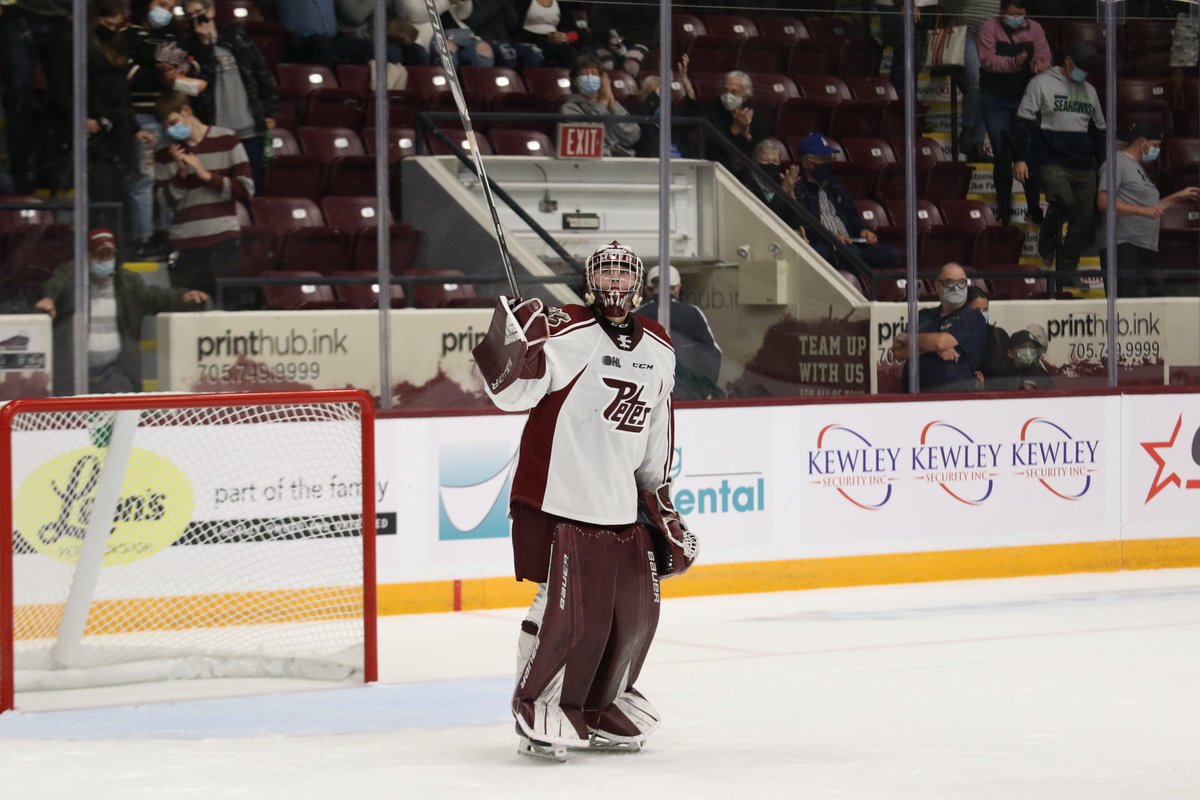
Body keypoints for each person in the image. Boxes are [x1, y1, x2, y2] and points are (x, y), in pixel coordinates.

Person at [471, 241, 693, 761]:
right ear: (590, 281)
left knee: (627, 615)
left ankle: (598, 701)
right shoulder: (568, 328)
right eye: (606, 274)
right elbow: (513, 396)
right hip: (557, 495)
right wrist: (513, 346)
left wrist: (659, 499)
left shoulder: (660, 349)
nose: (615, 283)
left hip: (618, 506)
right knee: (562, 607)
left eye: (624, 274)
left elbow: (657, 436)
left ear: (639, 285)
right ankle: (538, 704)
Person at [34, 228, 209, 394]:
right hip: (73, 374)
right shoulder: (72, 279)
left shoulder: (128, 284)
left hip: (113, 373)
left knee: (127, 415)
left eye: (108, 254)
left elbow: (155, 296)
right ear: (86, 256)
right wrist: (49, 298)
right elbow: (56, 282)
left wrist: (183, 297)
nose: (104, 259)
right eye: (98, 254)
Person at [1013, 40, 1106, 284]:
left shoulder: (1090, 91)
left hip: (1083, 163)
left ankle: (1067, 271)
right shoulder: (1041, 83)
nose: (1083, 74)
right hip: (1050, 158)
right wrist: (1021, 158)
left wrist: (1104, 164)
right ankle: (1047, 234)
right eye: (1080, 68)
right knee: (1065, 204)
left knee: (1084, 221)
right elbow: (1023, 122)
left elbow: (1099, 131)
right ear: (1068, 61)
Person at [154, 91, 253, 304]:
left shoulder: (227, 139)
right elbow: (164, 202)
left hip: (222, 239)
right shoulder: (165, 150)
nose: (171, 130)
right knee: (187, 313)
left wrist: (206, 176)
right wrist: (181, 175)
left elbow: (246, 190)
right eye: (166, 127)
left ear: (186, 110)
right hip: (185, 242)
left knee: (228, 309)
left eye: (173, 122)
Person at [181, 0, 279, 194]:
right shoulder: (189, 46)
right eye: (190, 15)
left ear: (211, 10)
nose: (196, 19)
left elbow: (260, 72)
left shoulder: (235, 35)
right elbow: (196, 84)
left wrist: (270, 111)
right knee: (220, 187)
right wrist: (205, 45)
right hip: (215, 131)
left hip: (249, 128)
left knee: (252, 187)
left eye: (199, 13)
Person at [1097, 120, 1200, 298]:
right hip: (1124, 247)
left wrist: (1178, 196)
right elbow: (1103, 202)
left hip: (1146, 248)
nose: (1156, 150)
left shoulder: (1141, 170)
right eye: (1154, 145)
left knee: (1153, 308)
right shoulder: (1117, 162)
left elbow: (1153, 209)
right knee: (1127, 309)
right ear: (1141, 142)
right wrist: (1142, 211)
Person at [976, 0, 1051, 223]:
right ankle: (1005, 208)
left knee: (1028, 153)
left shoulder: (1035, 28)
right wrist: (1013, 63)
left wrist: (1039, 64)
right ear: (1002, 12)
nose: (1016, 19)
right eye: (1012, 14)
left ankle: (1033, 208)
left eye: (1021, 15)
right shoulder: (989, 27)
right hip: (995, 98)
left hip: (1025, 98)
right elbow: (987, 60)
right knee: (1002, 154)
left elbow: (1045, 55)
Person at [793, 133, 900, 271]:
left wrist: (864, 230)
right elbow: (804, 226)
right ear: (807, 163)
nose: (829, 161)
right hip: (827, 245)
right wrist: (830, 237)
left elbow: (851, 215)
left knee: (892, 254)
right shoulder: (798, 187)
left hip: (851, 242)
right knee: (851, 255)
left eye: (830, 157)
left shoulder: (833, 184)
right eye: (823, 159)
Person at [0, 0, 71, 194]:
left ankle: (60, 173)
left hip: (63, 15)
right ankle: (21, 177)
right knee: (19, 97)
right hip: (19, 15)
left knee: (64, 95)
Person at [892, 262, 986, 393]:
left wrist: (907, 338)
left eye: (962, 282)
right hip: (914, 395)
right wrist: (933, 348)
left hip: (954, 395)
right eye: (949, 282)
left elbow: (940, 342)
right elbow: (899, 352)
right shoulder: (923, 315)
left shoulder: (972, 317)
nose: (956, 287)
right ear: (937, 286)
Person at [637, 265, 723, 400]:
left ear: (648, 290)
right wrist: (703, 392)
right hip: (688, 398)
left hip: (647, 400)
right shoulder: (693, 313)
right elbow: (713, 354)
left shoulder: (635, 317)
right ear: (677, 288)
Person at [684, 69, 770, 167]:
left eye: (734, 92)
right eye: (725, 91)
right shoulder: (710, 112)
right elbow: (709, 147)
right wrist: (733, 130)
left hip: (748, 170)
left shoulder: (757, 117)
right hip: (718, 167)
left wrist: (747, 137)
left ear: (745, 96)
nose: (728, 95)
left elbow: (762, 152)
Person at [561, 54, 640, 157]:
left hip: (624, 158)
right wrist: (602, 102)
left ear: (602, 79)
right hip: (594, 162)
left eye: (594, 73)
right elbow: (585, 138)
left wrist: (612, 106)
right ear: (575, 81)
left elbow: (632, 137)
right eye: (584, 74)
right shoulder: (569, 108)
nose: (590, 77)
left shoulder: (613, 104)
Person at [400, 0, 494, 69]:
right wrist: (447, 2)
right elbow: (414, 13)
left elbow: (463, 15)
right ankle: (448, 94)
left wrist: (464, 2)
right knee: (448, 54)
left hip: (460, 33)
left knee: (484, 53)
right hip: (432, 34)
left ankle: (479, 96)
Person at [740, 138, 806, 235]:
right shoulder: (747, 183)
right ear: (755, 162)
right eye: (765, 160)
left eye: (775, 161)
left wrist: (790, 194)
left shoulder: (781, 180)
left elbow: (796, 222)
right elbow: (765, 221)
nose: (771, 165)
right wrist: (783, 190)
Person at [875, 0, 937, 98]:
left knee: (913, 57)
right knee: (908, 52)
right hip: (899, 4)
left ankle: (906, 104)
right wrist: (904, 4)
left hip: (925, 4)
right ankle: (901, 106)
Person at [517, 0, 588, 68]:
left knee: (570, 53)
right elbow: (514, 27)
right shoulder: (523, 2)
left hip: (552, 43)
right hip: (528, 41)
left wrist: (566, 37)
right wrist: (544, 38)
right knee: (532, 56)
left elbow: (574, 31)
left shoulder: (560, 4)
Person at [965, 284, 1009, 387]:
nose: (982, 313)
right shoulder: (956, 336)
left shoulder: (999, 335)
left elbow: (1007, 373)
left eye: (985, 310)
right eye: (977, 310)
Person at [988, 325, 1054, 390]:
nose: (1028, 351)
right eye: (1022, 347)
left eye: (1031, 347)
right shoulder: (1003, 377)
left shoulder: (1042, 376)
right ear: (1010, 353)